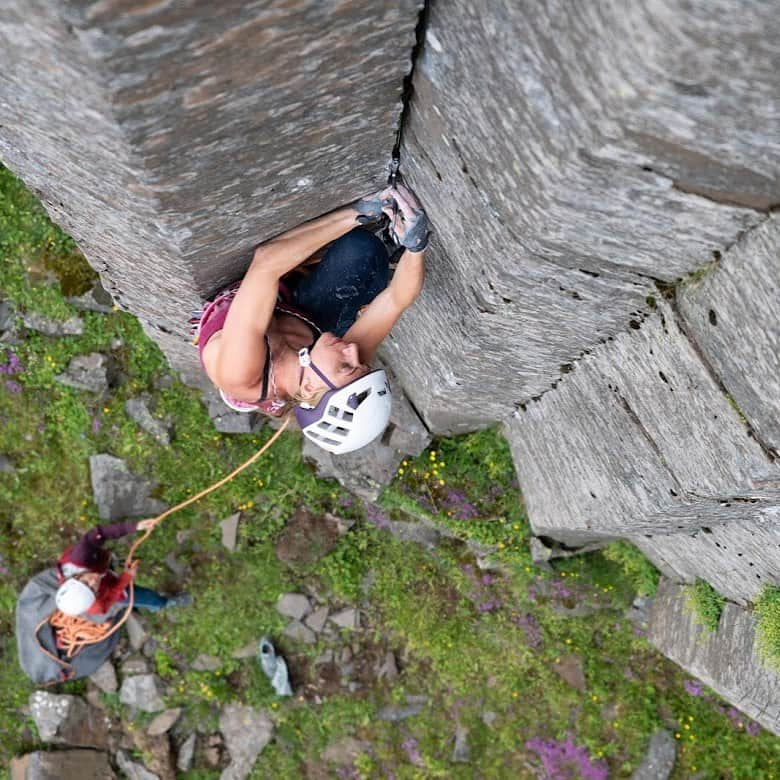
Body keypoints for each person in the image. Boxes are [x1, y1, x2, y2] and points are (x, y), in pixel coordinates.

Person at [195, 182, 430, 453]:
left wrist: (358, 213)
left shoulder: (241, 371)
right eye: (360, 365)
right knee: (363, 253)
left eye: (346, 366)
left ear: (307, 388)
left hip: (253, 321)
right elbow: (397, 299)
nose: (354, 351)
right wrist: (416, 246)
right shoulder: (339, 367)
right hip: (296, 319)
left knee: (352, 247)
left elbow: (266, 263)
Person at [55, 519, 190, 617]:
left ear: (75, 577)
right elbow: (112, 595)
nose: (93, 582)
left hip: (98, 566)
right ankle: (164, 603)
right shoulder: (96, 605)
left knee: (104, 565)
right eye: (92, 589)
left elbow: (99, 533)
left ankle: (110, 565)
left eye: (85, 582)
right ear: (95, 596)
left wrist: (135, 526)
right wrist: (125, 577)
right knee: (147, 597)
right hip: (110, 586)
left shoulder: (80, 557)